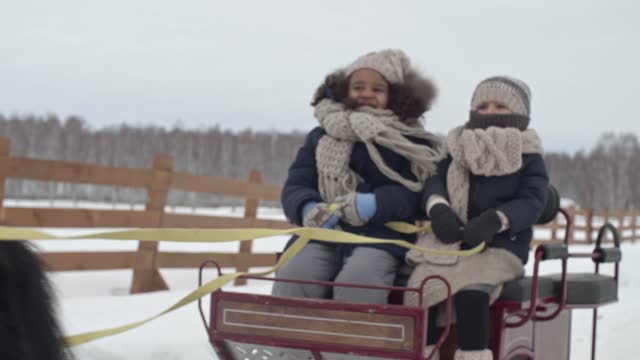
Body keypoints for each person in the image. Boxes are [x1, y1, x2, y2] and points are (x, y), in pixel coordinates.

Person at [272, 49, 444, 304]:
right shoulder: (321, 136)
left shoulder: (410, 142)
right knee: (296, 275)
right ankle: (288, 340)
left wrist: (375, 204)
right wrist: (307, 207)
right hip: (324, 233)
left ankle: (350, 342)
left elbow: (418, 193)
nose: (366, 94)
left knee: (360, 280)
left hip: (382, 238)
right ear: (345, 90)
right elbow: (297, 182)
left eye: (377, 89)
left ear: (394, 96)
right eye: (358, 86)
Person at [405, 76, 549, 360]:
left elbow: (532, 199)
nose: (491, 111)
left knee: (471, 292)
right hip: (450, 240)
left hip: (500, 244)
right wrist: (438, 208)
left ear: (520, 114)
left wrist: (496, 220)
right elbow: (435, 181)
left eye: (501, 106)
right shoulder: (455, 146)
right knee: (424, 289)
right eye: (483, 105)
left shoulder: (529, 154)